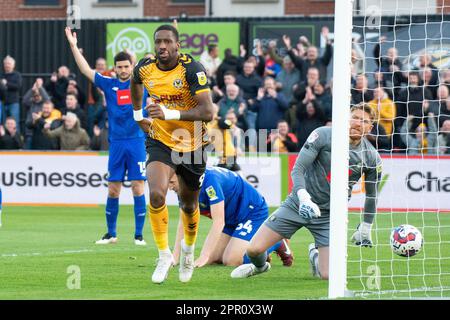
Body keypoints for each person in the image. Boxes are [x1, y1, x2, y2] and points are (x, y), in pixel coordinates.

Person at [231, 103, 382, 280]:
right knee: (253, 250)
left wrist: (366, 226)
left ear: (370, 127)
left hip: (328, 215)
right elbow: (298, 168)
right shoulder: (324, 134)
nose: (357, 123)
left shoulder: (372, 157)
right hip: (297, 205)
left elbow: (372, 195)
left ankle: (315, 254)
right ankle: (260, 267)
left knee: (328, 276)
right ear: (346, 118)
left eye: (363, 121)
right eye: (355, 117)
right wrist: (303, 197)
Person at [130, 24, 214, 284]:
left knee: (188, 204)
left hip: (192, 143)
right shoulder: (145, 67)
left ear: (178, 45)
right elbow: (134, 81)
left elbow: (208, 113)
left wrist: (169, 113)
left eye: (167, 42)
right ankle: (164, 254)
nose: (162, 47)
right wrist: (137, 115)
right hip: (160, 140)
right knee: (156, 193)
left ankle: (187, 251)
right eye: (158, 42)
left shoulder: (192, 69)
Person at [65, 27, 148, 246]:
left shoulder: (142, 84)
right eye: (119, 67)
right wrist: (74, 46)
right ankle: (111, 234)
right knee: (113, 189)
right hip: (117, 144)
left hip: (137, 142)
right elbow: (85, 70)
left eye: (126, 66)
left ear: (132, 66)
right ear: (115, 68)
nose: (122, 70)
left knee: (138, 187)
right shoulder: (109, 84)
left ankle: (139, 235)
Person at [169, 167, 294, 267]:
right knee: (215, 259)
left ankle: (276, 242)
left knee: (231, 260)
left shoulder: (209, 182)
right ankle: (250, 247)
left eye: (172, 182)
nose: (170, 188)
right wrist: (175, 257)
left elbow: (218, 222)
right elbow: (184, 223)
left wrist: (204, 255)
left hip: (251, 212)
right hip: (230, 218)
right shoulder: (184, 189)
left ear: (181, 176)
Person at [0, 55, 22, 133]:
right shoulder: (1, 75)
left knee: (14, 123)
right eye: (5, 64)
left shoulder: (17, 75)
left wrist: (6, 84)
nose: (7, 65)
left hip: (13, 103)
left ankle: (16, 141)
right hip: (3, 102)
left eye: (9, 64)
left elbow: (18, 86)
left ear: (13, 65)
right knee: (4, 123)